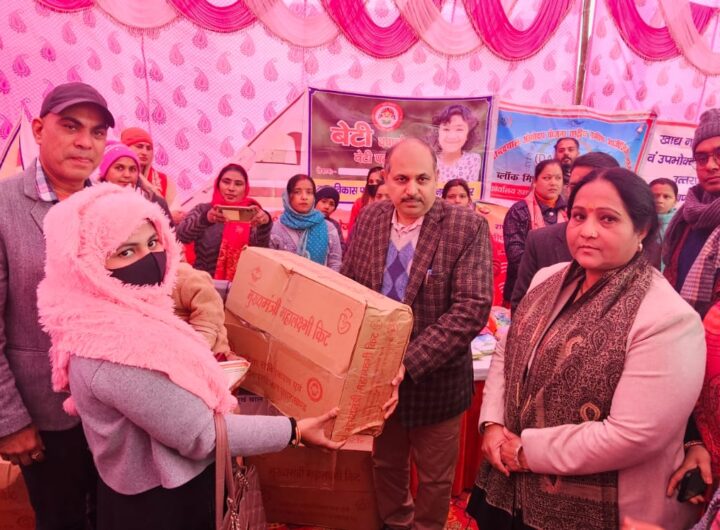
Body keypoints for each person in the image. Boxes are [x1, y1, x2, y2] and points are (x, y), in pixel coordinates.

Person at [35, 183, 343, 529]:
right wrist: (294, 430)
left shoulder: (132, 314)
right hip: (159, 505)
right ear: (85, 266)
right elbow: (202, 435)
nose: (150, 258)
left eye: (153, 242)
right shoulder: (114, 349)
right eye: (125, 251)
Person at [470, 167, 705, 530]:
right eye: (579, 216)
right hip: (509, 487)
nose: (587, 231)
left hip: (601, 507)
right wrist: (493, 423)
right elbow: (508, 348)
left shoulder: (668, 318)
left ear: (642, 229)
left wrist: (525, 451)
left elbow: (632, 435)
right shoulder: (549, 278)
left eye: (608, 219)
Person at [342, 138, 493, 530]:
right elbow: (350, 286)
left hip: (436, 384)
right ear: (386, 179)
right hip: (378, 383)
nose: (412, 190)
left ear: (437, 178)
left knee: (435, 478)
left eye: (423, 179)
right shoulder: (371, 219)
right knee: (386, 464)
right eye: (402, 179)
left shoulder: (466, 226)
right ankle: (396, 523)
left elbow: (471, 308)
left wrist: (405, 364)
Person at [0, 82, 114, 529]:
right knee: (61, 519)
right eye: (71, 127)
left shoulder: (113, 205)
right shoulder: (4, 206)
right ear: (38, 129)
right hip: (44, 413)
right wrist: (9, 420)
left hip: (115, 410)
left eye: (97, 132)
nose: (85, 142)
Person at [663, 109, 720, 504]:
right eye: (701, 157)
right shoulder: (685, 219)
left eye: (719, 154)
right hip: (682, 351)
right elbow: (670, 279)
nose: (710, 165)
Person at [510, 152, 620, 309]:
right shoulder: (539, 240)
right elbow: (521, 305)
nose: (582, 194)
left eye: (591, 185)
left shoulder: (635, 248)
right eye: (575, 186)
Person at [177, 163, 272, 281]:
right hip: (205, 284)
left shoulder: (252, 214)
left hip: (241, 285)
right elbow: (181, 236)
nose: (231, 188)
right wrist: (205, 219)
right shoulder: (204, 210)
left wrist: (265, 224)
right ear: (218, 184)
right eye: (226, 182)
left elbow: (261, 251)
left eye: (238, 184)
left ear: (245, 188)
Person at [503, 159, 567, 304]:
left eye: (558, 178)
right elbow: (515, 255)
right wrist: (545, 277)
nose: (553, 183)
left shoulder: (569, 212)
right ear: (535, 181)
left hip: (561, 292)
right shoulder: (519, 211)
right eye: (547, 178)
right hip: (523, 290)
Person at [270, 174, 342, 272]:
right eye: (297, 192)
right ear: (288, 196)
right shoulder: (276, 228)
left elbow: (335, 263)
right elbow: (270, 264)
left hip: (319, 281)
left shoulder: (328, 228)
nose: (304, 197)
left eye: (309, 192)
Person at [98, 142, 172, 222]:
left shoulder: (154, 201)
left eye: (132, 169)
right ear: (105, 171)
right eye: (119, 168)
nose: (127, 175)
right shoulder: (93, 199)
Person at [430, 104, 483, 183]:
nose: (452, 136)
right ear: (438, 133)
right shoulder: (429, 160)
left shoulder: (473, 160)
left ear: (468, 134)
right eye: (446, 129)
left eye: (459, 129)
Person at [120, 126, 174, 203]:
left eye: (149, 148)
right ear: (126, 148)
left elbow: (175, 208)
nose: (145, 152)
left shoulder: (163, 180)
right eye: (139, 146)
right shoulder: (116, 176)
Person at [348, 166, 383, 231]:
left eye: (378, 181)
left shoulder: (390, 203)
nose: (374, 184)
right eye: (371, 182)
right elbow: (351, 228)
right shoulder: (359, 203)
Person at [315, 185, 346, 254]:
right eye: (323, 201)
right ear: (315, 202)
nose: (327, 207)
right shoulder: (306, 221)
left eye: (331, 204)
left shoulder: (335, 225)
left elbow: (341, 248)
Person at [649, 177, 679, 243]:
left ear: (675, 201)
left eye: (666, 196)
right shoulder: (637, 222)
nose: (660, 201)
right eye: (655, 196)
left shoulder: (681, 225)